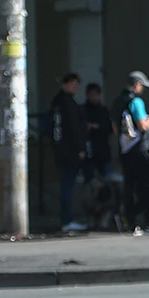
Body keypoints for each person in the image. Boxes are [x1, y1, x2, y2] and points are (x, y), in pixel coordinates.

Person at [112, 71, 149, 234]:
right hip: (139, 148)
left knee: (129, 186)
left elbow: (115, 129)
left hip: (124, 150)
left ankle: (129, 221)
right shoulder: (136, 101)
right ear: (137, 84)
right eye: (142, 86)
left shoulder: (117, 102)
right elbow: (142, 126)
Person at [49, 72, 88, 233]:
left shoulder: (58, 102)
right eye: (73, 83)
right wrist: (80, 148)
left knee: (67, 185)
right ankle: (67, 220)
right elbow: (73, 129)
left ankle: (67, 219)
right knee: (67, 186)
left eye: (77, 83)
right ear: (64, 84)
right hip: (69, 151)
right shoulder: (67, 104)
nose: (76, 86)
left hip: (62, 150)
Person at [82, 83, 112, 184]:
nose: (94, 97)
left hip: (103, 150)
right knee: (89, 179)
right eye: (91, 95)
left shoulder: (104, 111)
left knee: (106, 179)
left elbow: (109, 129)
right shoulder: (82, 110)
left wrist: (97, 127)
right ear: (87, 95)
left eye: (96, 94)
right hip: (89, 150)